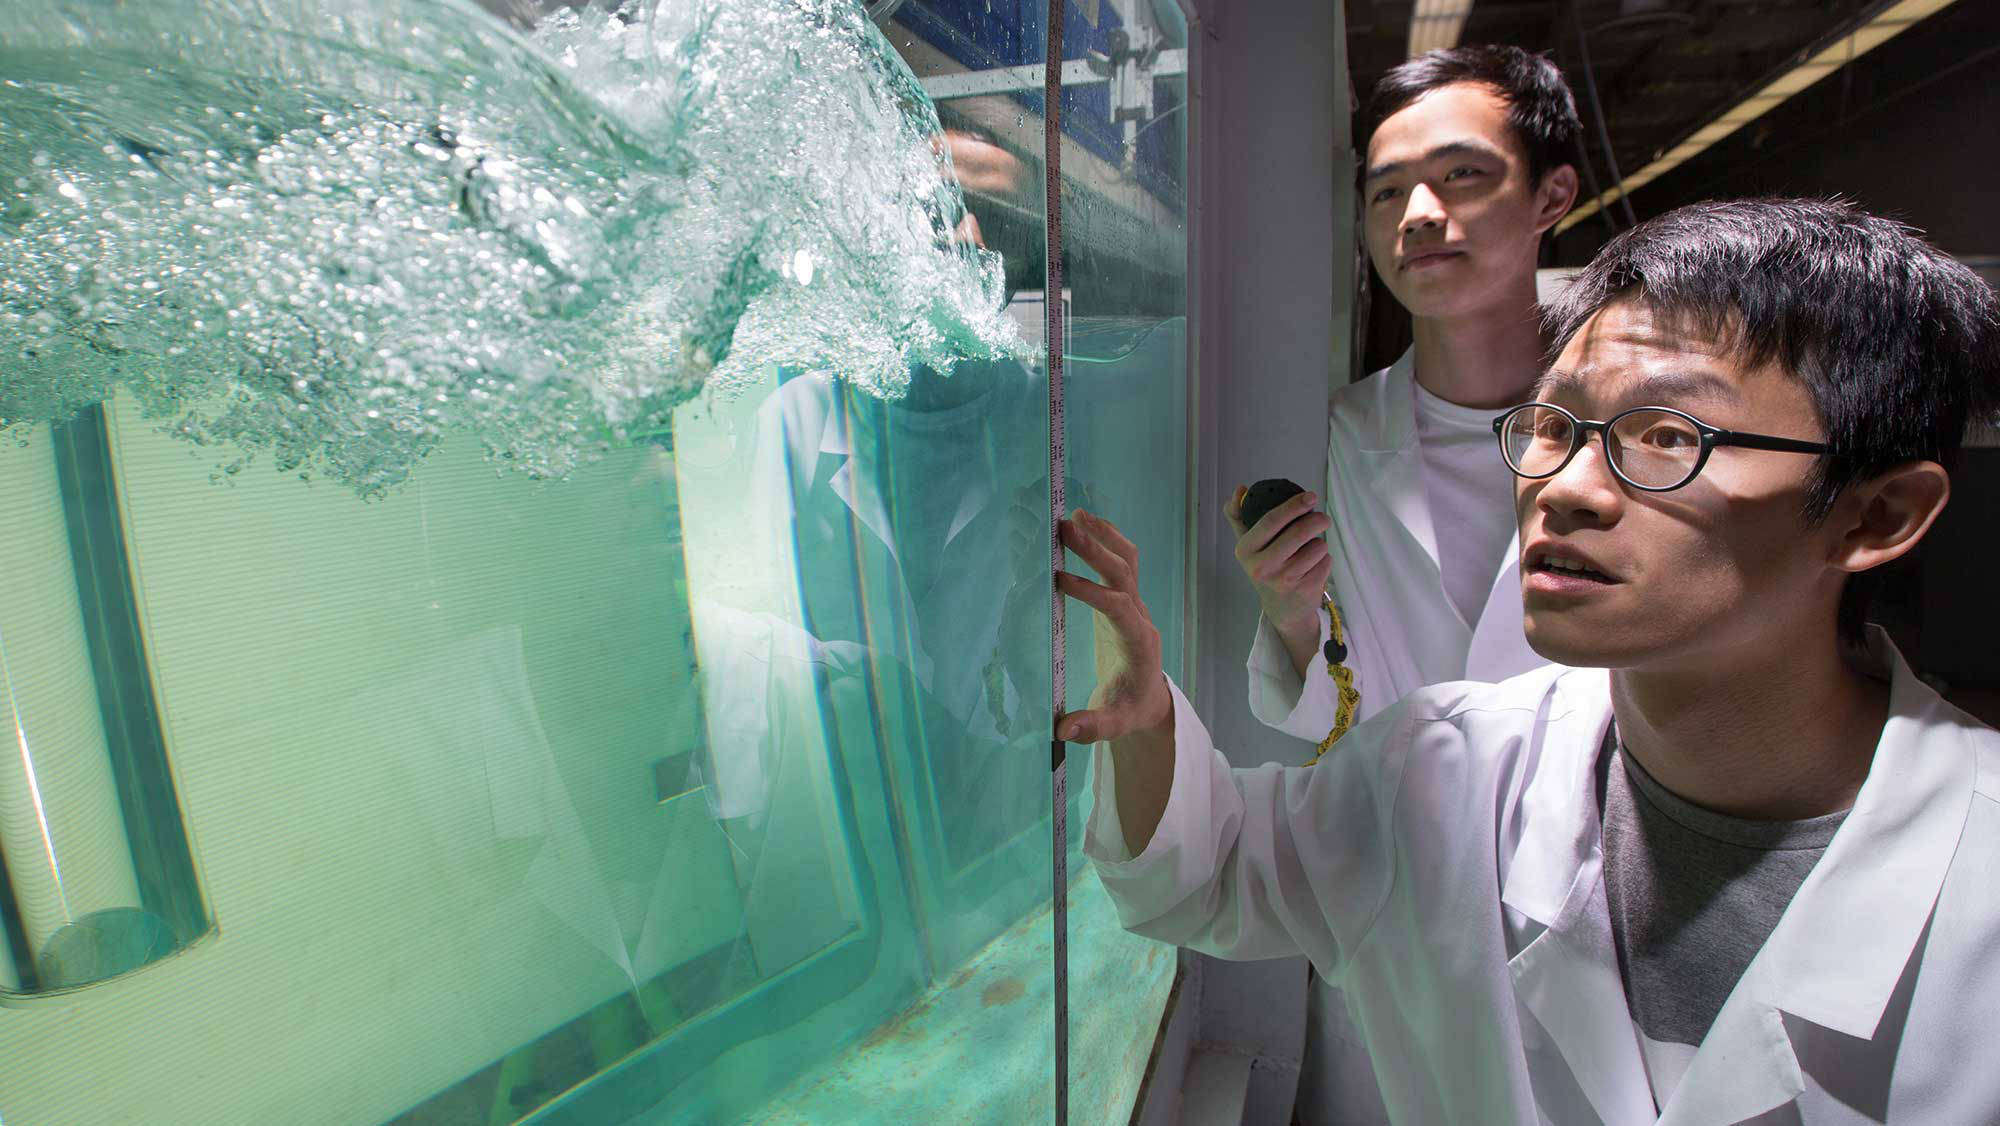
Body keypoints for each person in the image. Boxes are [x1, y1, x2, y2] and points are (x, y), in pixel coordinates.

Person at [1061, 198, 2000, 1122]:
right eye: (1553, 426)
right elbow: (1213, 868)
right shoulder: (1444, 770)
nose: (1565, 488)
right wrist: (1142, 712)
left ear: (1876, 515)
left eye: (1669, 437)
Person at [1227, 45, 1580, 1122]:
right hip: (1390, 920)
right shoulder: (1332, 436)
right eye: (1386, 192)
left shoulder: (1636, 443)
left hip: (1587, 911)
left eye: (1462, 174)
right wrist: (1291, 617)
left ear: (1552, 195)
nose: (1419, 214)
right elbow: (1333, 712)